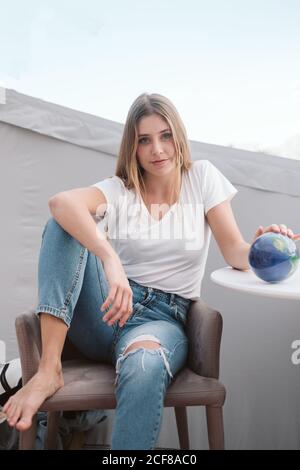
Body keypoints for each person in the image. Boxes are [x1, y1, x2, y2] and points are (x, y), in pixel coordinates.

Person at [3, 93, 300, 450]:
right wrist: (110, 259)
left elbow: (235, 251)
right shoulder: (120, 191)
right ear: (133, 147)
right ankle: (49, 369)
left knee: (144, 368)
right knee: (62, 225)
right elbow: (61, 203)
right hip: (107, 309)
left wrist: (263, 248)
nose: (157, 149)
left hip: (161, 320)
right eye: (144, 140)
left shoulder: (203, 178)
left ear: (179, 136)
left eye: (165, 135)